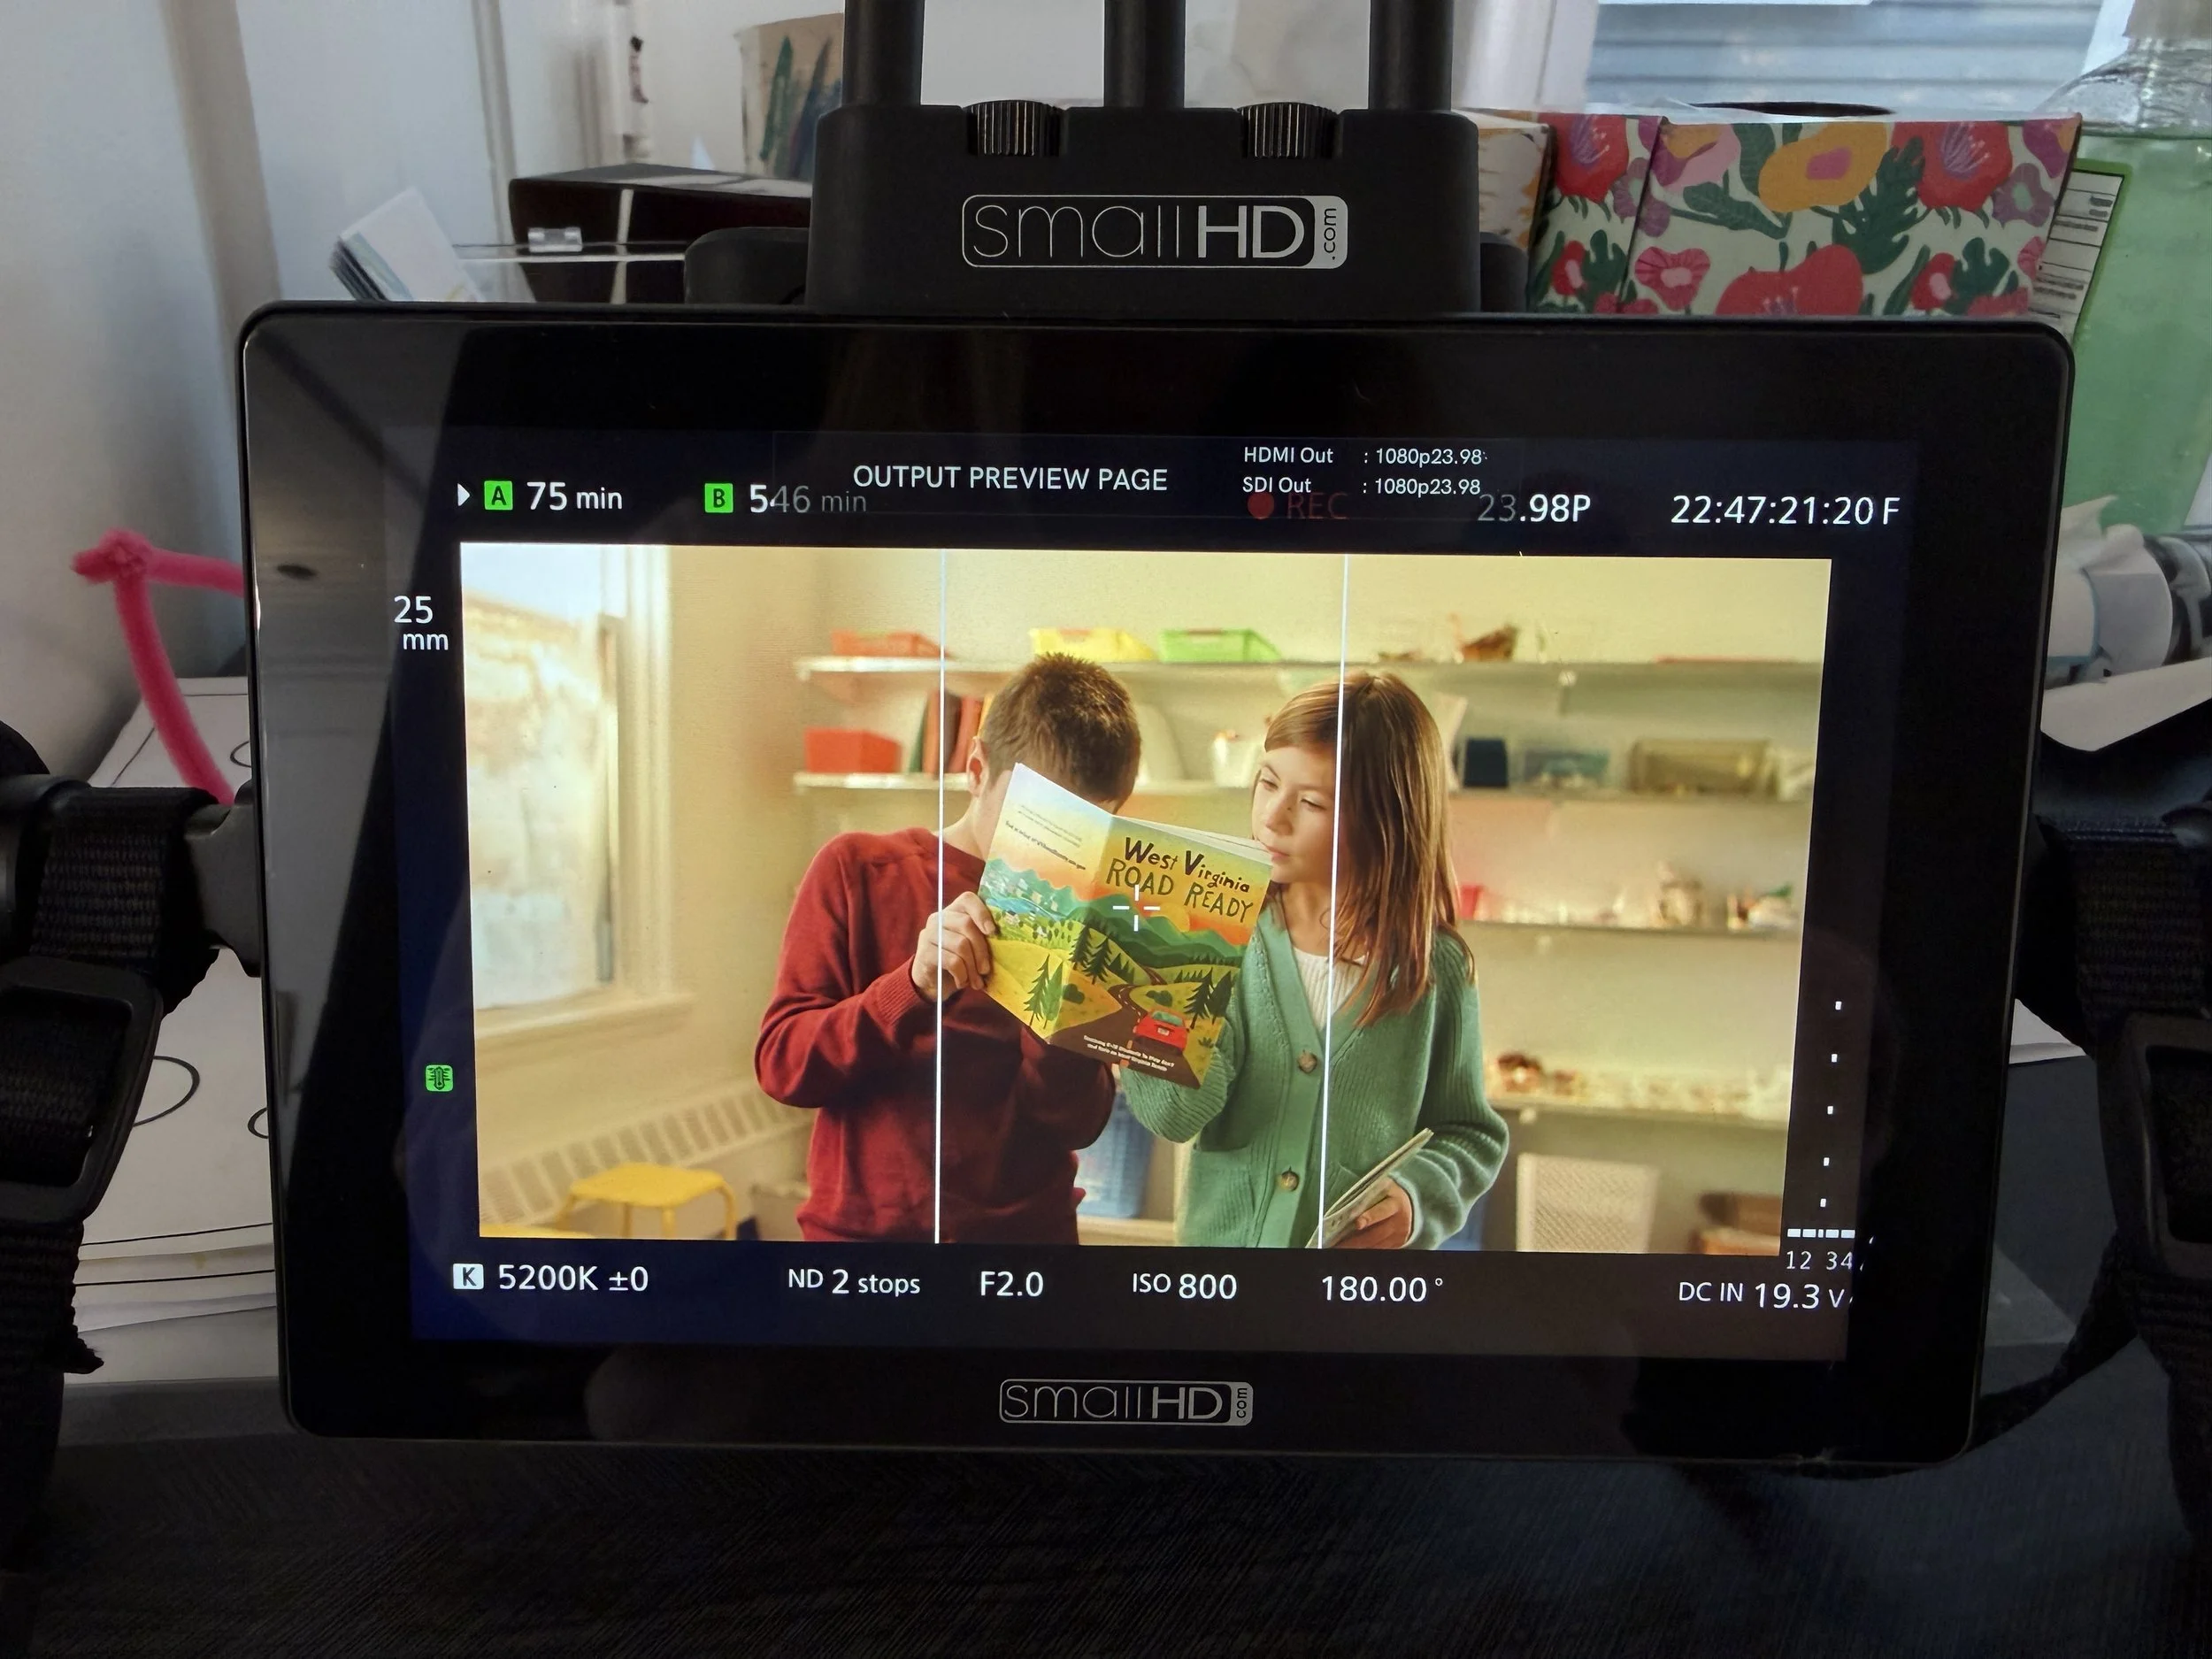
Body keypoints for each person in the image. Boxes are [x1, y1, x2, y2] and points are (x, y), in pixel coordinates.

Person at [756, 654, 1141, 1243]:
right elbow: (783, 1066)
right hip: (867, 1244)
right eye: (1038, 817)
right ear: (977, 768)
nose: (1058, 849)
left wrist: (1063, 1023)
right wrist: (909, 987)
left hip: (1028, 1246)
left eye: (1086, 829)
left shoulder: (1094, 908)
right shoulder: (857, 869)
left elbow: (1078, 1122)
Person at [1123, 673, 1508, 1248]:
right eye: (1267, 782)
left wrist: (1414, 1197)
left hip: (1350, 1310)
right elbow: (1175, 1115)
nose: (1273, 818)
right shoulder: (1216, 926)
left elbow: (1469, 1133)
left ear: (1386, 822)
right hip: (1221, 1292)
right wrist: (1155, 999)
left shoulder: (1436, 968)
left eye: (1310, 802)